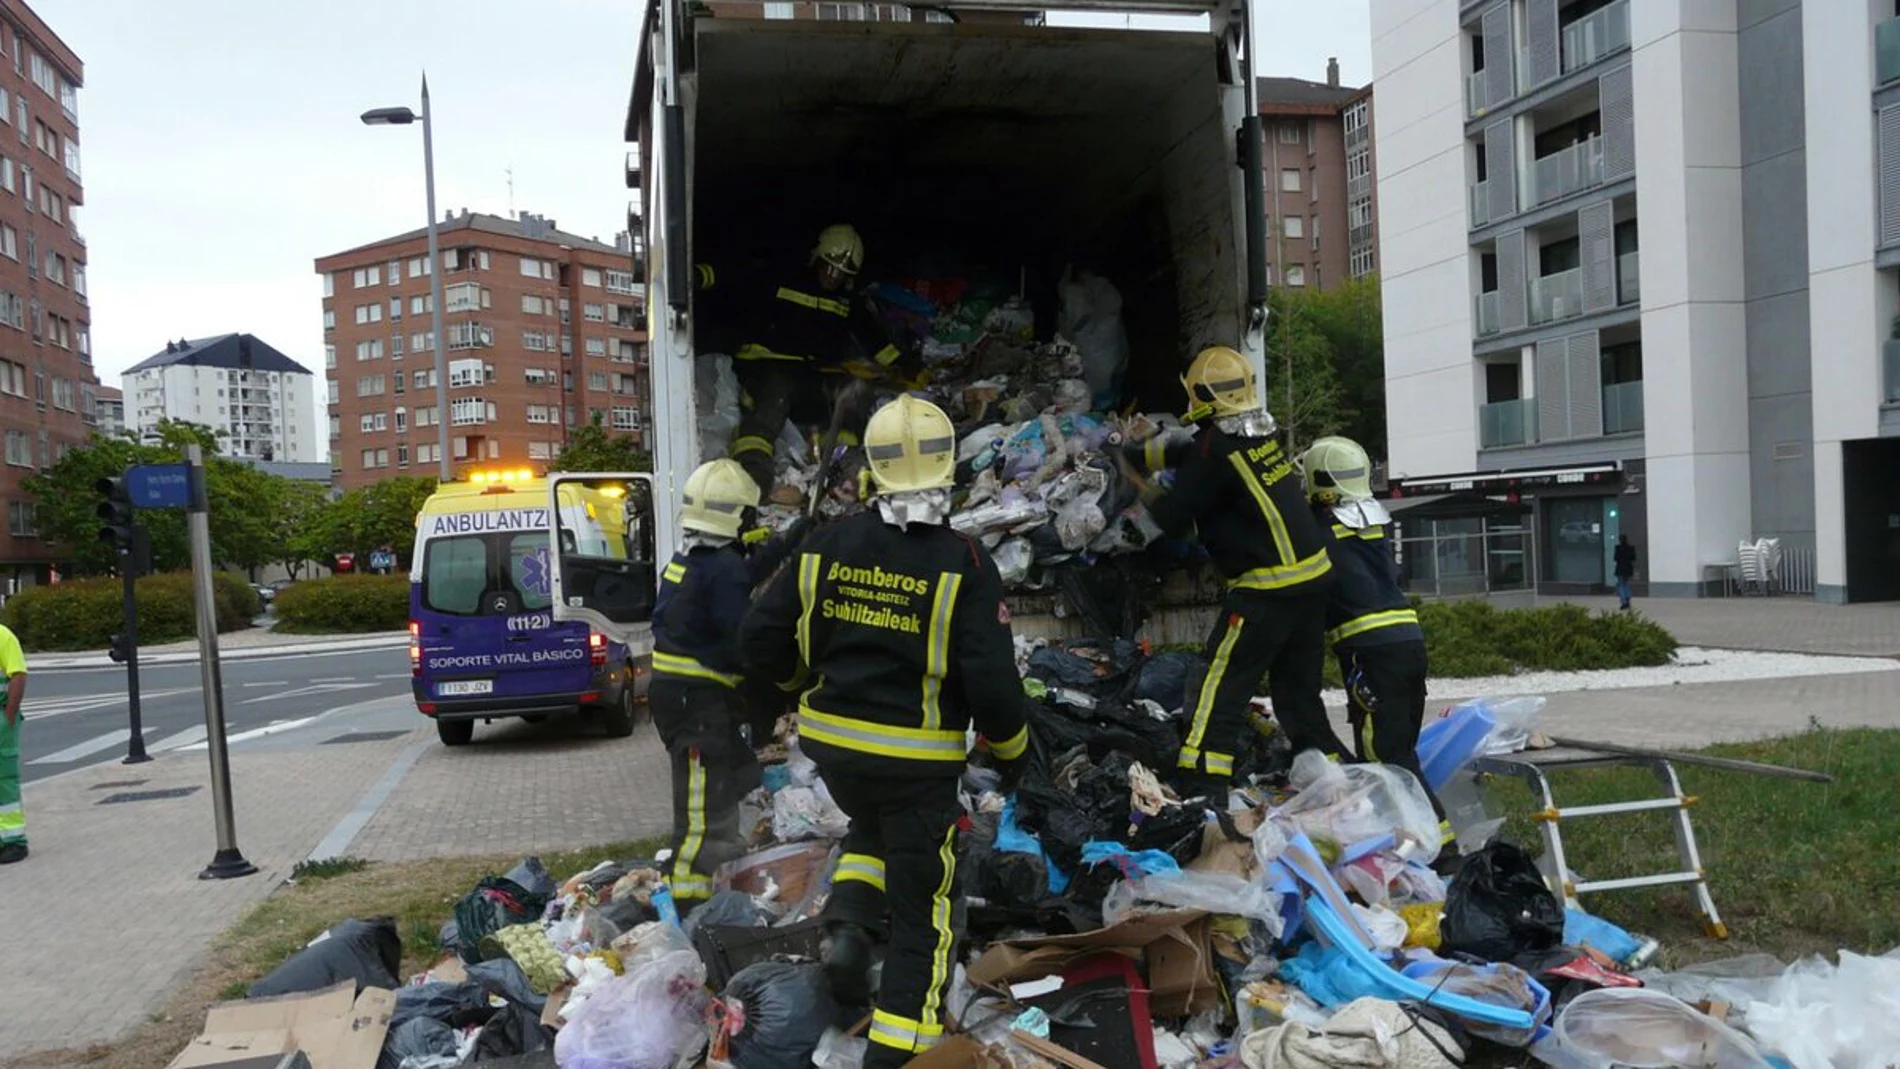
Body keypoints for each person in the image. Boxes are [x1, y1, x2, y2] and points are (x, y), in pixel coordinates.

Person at [740, 395, 1030, 1068]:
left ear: (872, 468)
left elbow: (758, 637)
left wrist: (795, 684)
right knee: (925, 913)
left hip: (837, 753)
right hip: (917, 766)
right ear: (947, 469)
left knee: (870, 831)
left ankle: (847, 929)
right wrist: (1014, 751)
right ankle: (897, 1053)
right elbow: (992, 682)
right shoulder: (965, 561)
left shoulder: (826, 545)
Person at [1126, 345, 1340, 796]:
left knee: (1219, 687)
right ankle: (1336, 784)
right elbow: (1192, 454)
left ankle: (1202, 788)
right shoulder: (1255, 438)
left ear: (1199, 394)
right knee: (1298, 692)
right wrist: (1146, 451)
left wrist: (1137, 483)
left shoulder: (1213, 451)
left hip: (1266, 591)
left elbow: (1173, 518)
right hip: (1312, 583)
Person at [649, 459, 810, 912]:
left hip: (680, 698)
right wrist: (788, 678)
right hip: (699, 705)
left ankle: (722, 875)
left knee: (731, 780)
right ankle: (691, 902)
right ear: (738, 517)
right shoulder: (721, 569)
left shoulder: (691, 560)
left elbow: (740, 576)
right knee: (701, 808)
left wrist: (786, 543)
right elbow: (745, 639)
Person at [1302, 436, 1452, 851]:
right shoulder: (1374, 522)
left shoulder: (1316, 528)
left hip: (1371, 653)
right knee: (1402, 752)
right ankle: (1424, 843)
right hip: (1409, 643)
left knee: (1384, 761)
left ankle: (1437, 847)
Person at [695, 224, 907, 491]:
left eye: (841, 274)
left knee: (854, 391)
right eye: (829, 268)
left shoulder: (844, 301)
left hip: (810, 374)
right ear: (817, 258)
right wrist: (698, 276)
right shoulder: (782, 277)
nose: (833, 277)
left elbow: (873, 337)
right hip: (763, 365)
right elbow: (738, 276)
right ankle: (752, 472)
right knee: (776, 393)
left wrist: (907, 368)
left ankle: (841, 461)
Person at [1, 620, 28, 864]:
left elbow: (18, 674)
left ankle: (13, 841)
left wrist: (9, 715)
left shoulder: (3, 636)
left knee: (4, 780)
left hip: (0, 719)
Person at [1614, 534, 1637, 611]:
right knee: (1625, 583)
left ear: (1620, 540)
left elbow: (1616, 558)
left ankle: (1624, 602)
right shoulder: (1631, 548)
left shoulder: (1618, 548)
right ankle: (1628, 598)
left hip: (1620, 568)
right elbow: (1633, 558)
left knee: (1620, 585)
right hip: (1628, 568)